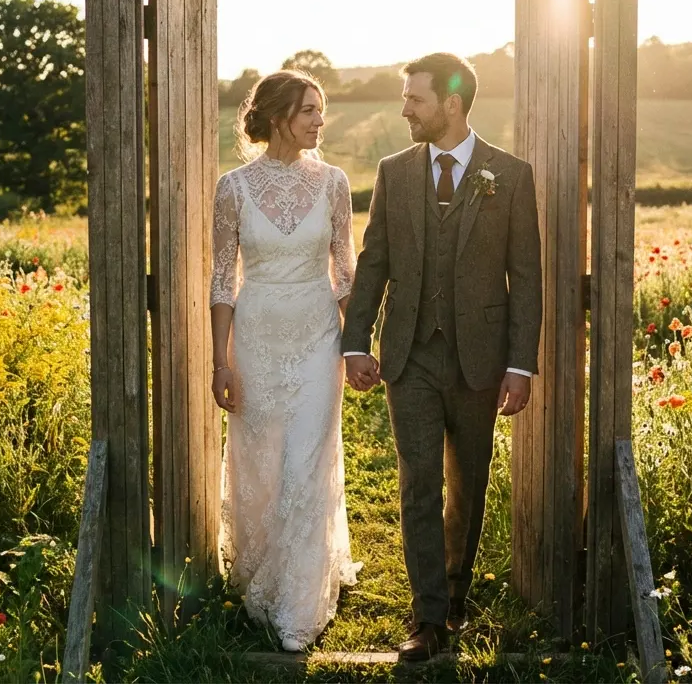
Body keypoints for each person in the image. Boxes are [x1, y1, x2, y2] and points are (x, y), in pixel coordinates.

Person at [341, 52, 543, 662]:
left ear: (451, 104)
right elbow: (373, 260)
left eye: (415, 99)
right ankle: (427, 619)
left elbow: (526, 276)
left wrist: (520, 363)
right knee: (418, 484)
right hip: (410, 356)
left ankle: (456, 596)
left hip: (481, 360)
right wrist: (356, 342)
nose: (404, 108)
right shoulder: (394, 172)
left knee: (469, 485)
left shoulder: (509, 174)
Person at [208, 69, 362, 652]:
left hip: (319, 339)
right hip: (256, 340)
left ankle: (298, 606)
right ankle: (259, 575)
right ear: (278, 118)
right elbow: (224, 279)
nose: (320, 121)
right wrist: (221, 363)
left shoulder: (335, 183)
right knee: (263, 466)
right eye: (309, 111)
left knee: (305, 464)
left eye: (321, 110)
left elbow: (344, 271)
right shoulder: (234, 187)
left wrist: (360, 343)